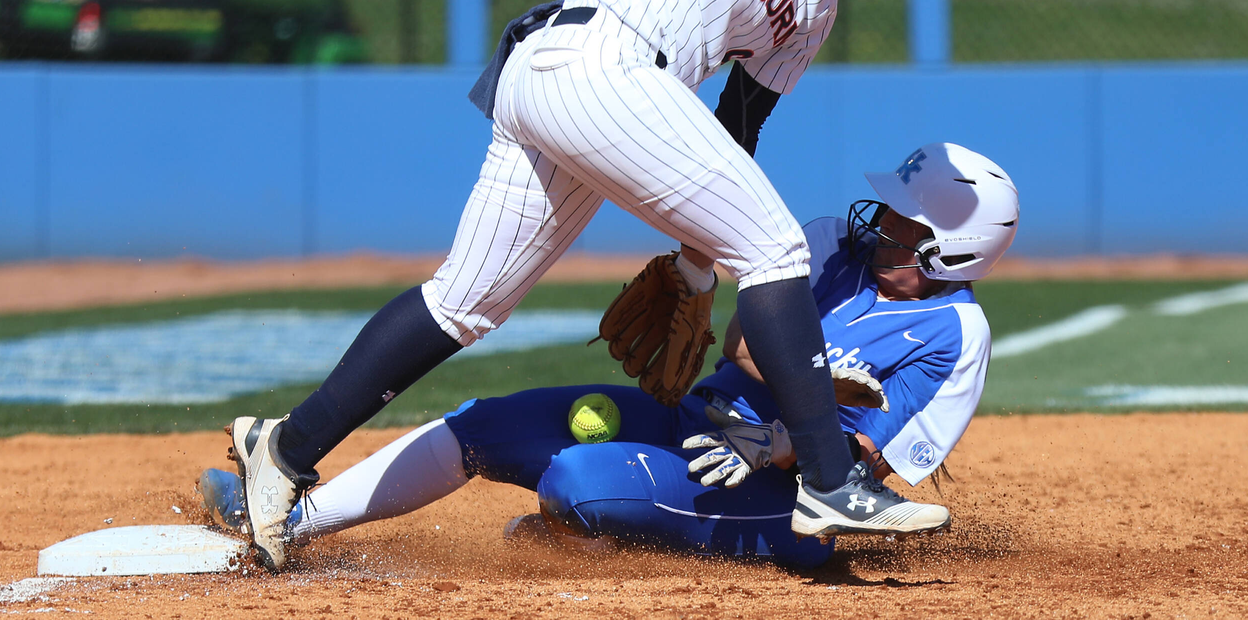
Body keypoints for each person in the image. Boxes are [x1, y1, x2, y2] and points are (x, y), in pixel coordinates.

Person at [225, 0, 947, 570]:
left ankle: (285, 448)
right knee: (774, 248)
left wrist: (698, 264)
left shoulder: (817, 2)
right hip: (594, 57)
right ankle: (832, 479)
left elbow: (737, 123)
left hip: (600, 95)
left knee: (465, 304)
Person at [205, 143, 1018, 569]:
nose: (881, 227)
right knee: (482, 425)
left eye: (908, 228)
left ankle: (578, 534)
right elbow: (743, 340)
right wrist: (808, 379)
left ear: (955, 253)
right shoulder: (836, 243)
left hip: (782, 503)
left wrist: (782, 442)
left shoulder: (958, 336)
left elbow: (875, 465)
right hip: (699, 420)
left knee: (577, 480)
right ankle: (290, 518)